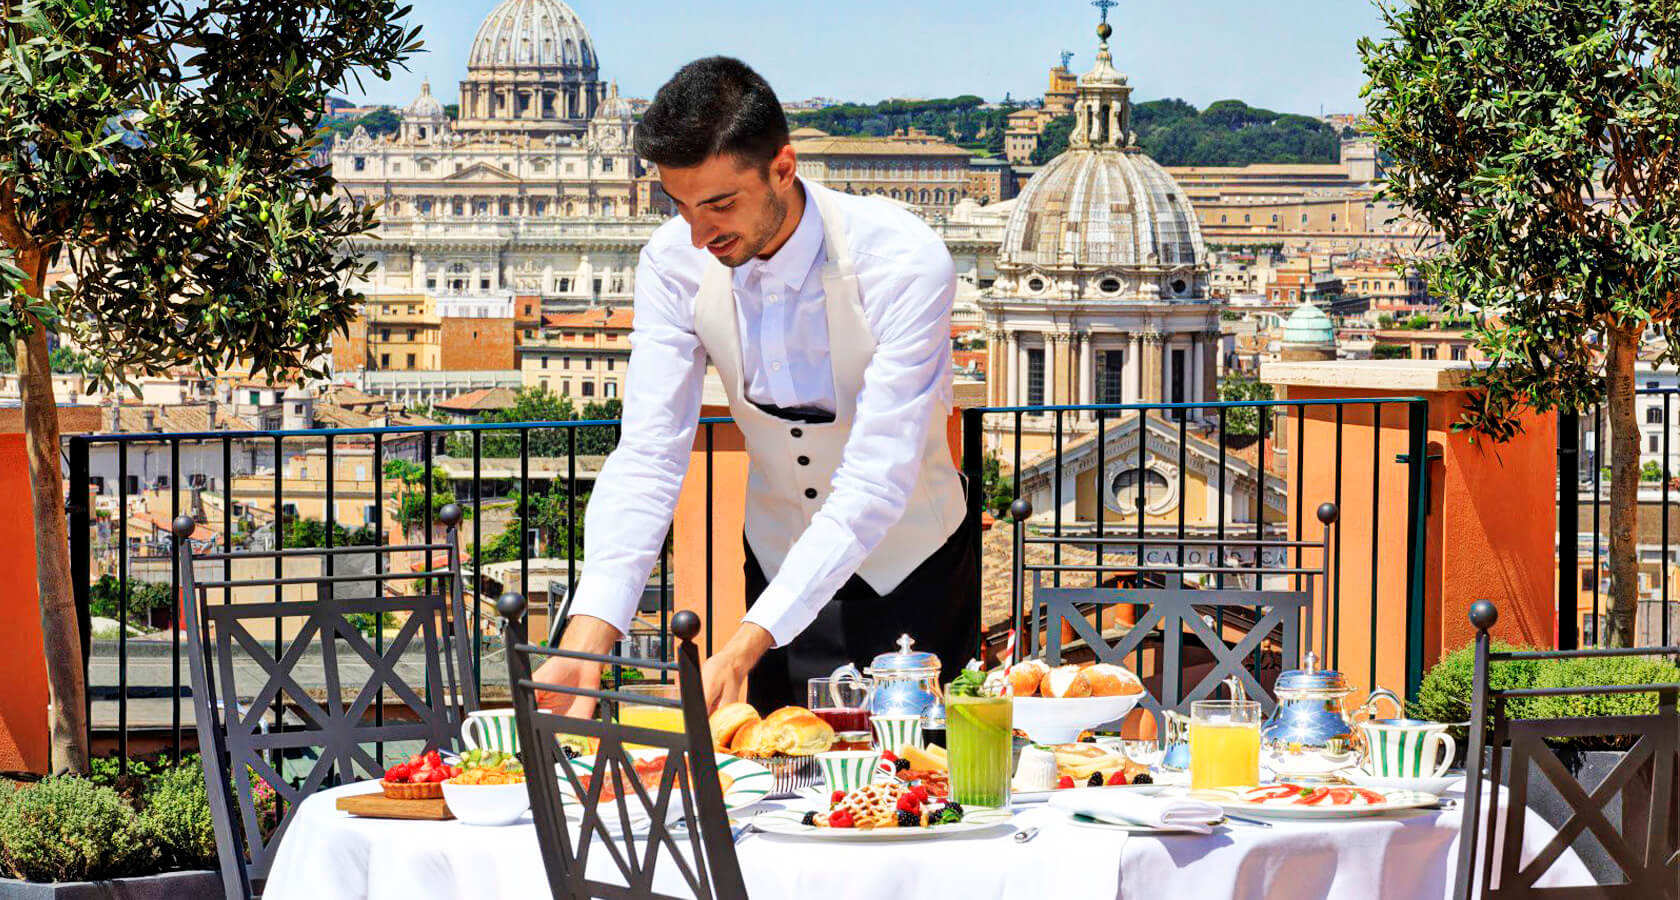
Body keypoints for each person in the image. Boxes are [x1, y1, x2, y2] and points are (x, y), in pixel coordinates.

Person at [532, 56, 977, 715]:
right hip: (773, 568)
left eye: (719, 204)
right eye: (680, 206)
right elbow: (650, 453)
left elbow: (876, 481)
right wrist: (592, 625)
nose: (699, 232)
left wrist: (742, 644)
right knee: (773, 779)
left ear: (783, 169)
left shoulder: (903, 260)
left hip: (913, 572)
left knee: (916, 795)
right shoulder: (674, 261)